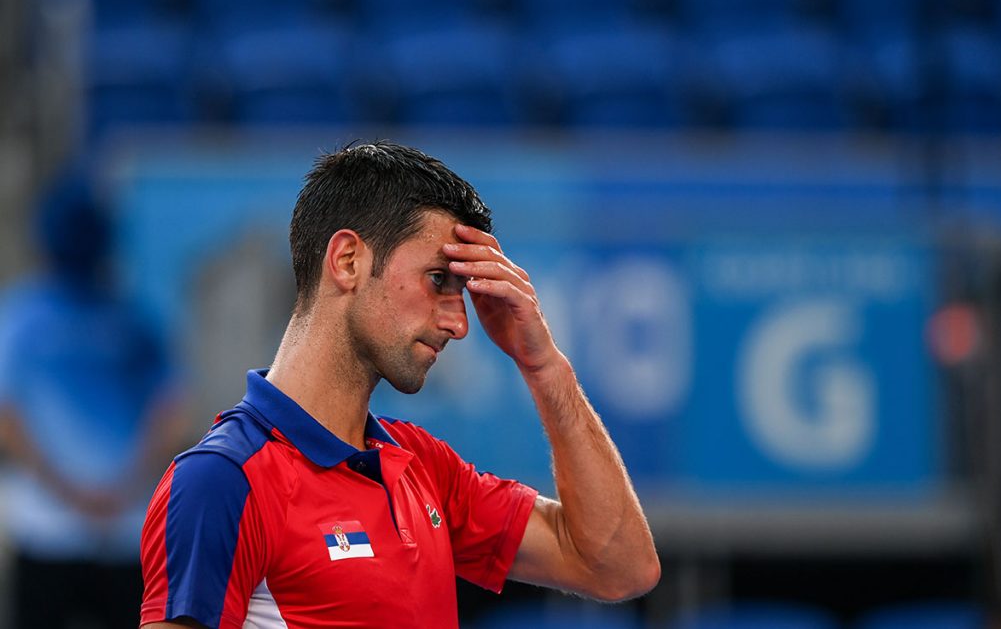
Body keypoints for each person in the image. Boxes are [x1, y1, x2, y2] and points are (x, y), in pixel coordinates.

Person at [139, 141, 660, 629]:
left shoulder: (423, 467)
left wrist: (544, 366)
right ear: (348, 260)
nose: (460, 325)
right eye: (439, 280)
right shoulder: (222, 479)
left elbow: (620, 568)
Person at [0, 175, 187, 628]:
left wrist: (70, 494)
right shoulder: (135, 319)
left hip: (51, 524)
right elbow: (172, 415)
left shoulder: (22, 318)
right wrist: (120, 490)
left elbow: (8, 421)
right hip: (121, 525)